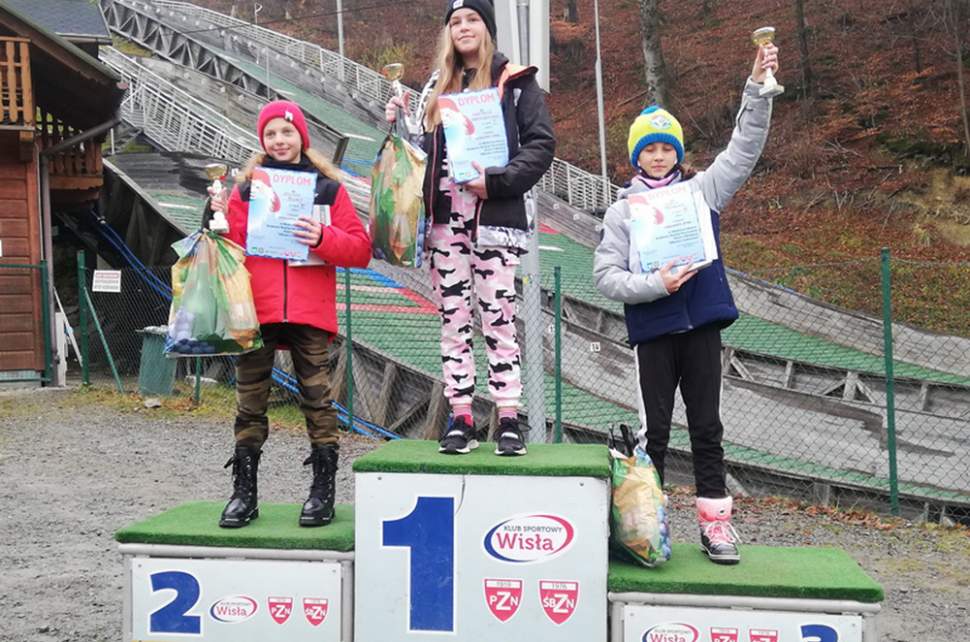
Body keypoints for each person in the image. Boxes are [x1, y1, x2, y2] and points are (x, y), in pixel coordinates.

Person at [593, 43, 780, 564]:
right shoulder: (624, 210)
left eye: (666, 148)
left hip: (701, 326)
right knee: (654, 432)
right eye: (648, 150)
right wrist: (656, 284)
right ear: (635, 157)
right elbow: (606, 276)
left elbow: (743, 148)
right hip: (653, 330)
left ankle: (715, 526)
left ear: (678, 152)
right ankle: (645, 525)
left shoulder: (704, 192)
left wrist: (757, 87)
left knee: (707, 427)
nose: (658, 156)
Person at [384, 0, 555, 456]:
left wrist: (497, 182)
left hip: (492, 219)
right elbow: (421, 152)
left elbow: (541, 145)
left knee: (498, 317)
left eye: (472, 19)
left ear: (487, 28)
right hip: (444, 224)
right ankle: (460, 417)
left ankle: (508, 419)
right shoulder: (435, 88)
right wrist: (398, 123)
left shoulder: (515, 83)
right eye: (455, 21)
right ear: (447, 33)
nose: (463, 27)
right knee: (453, 319)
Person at [208, 100, 372, 528]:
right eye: (271, 134)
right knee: (249, 403)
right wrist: (216, 215)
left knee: (318, 401)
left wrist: (323, 236)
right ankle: (244, 494)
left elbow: (360, 249)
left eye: (287, 132)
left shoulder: (328, 189)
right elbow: (230, 245)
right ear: (262, 141)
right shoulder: (246, 190)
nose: (279, 141)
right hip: (256, 311)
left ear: (302, 136)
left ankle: (322, 493)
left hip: (309, 311)